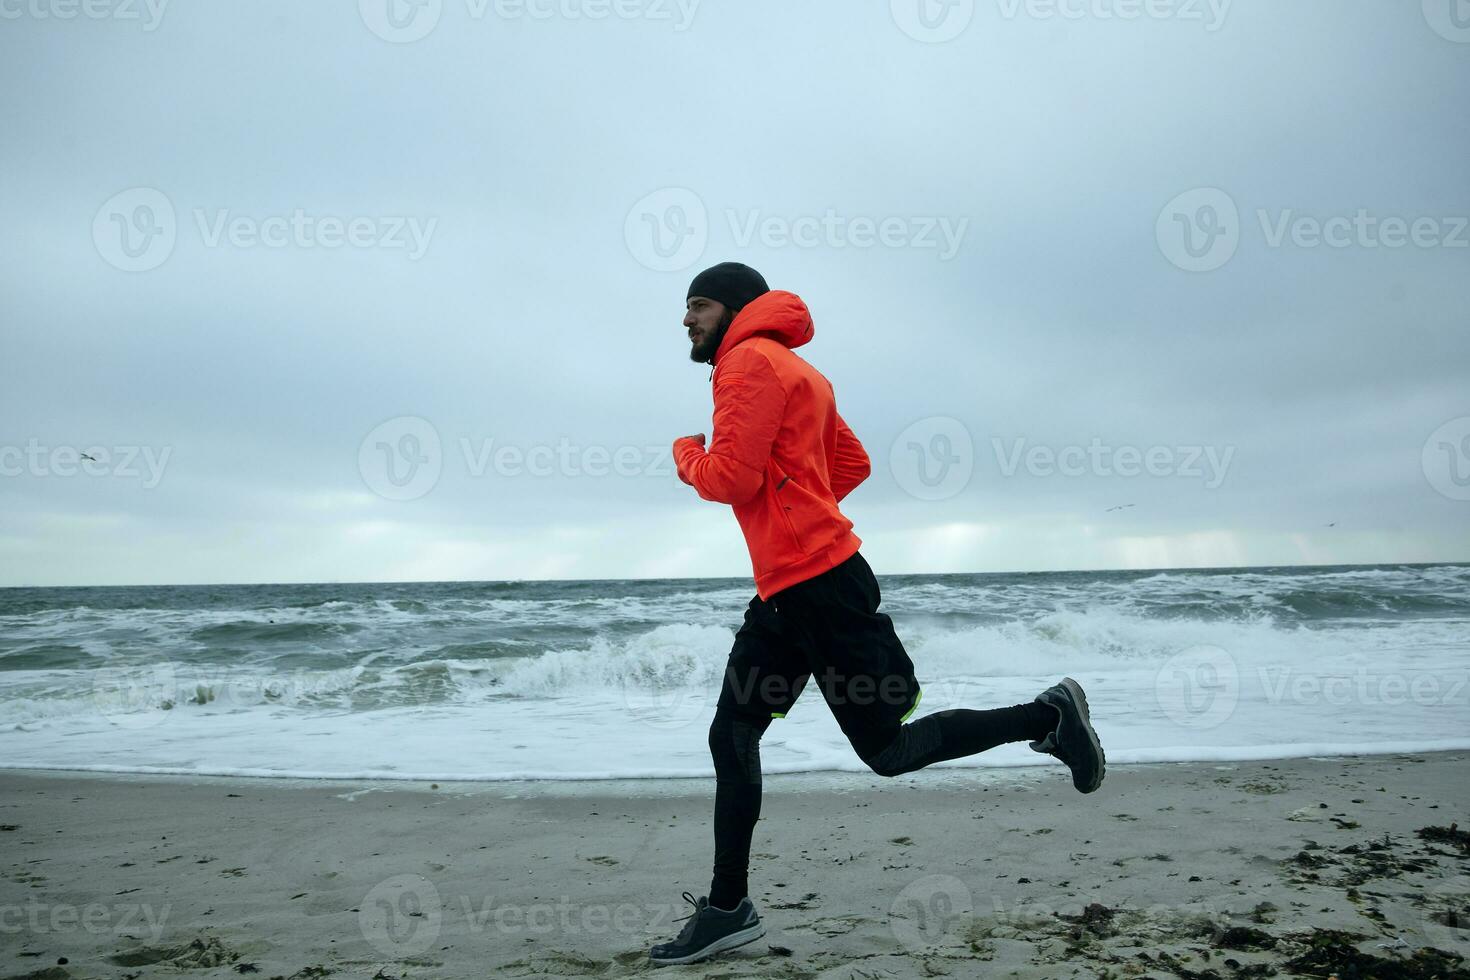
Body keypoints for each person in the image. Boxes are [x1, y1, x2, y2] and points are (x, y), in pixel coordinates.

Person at [650, 262, 1106, 967]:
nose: (687, 320)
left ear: (735, 308)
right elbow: (852, 464)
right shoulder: (803, 372)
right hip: (791, 591)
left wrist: (687, 454)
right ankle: (726, 909)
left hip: (819, 592)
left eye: (699, 306)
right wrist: (797, 499)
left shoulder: (744, 364)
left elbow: (729, 478)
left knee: (886, 751)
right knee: (732, 733)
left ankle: (1048, 717)